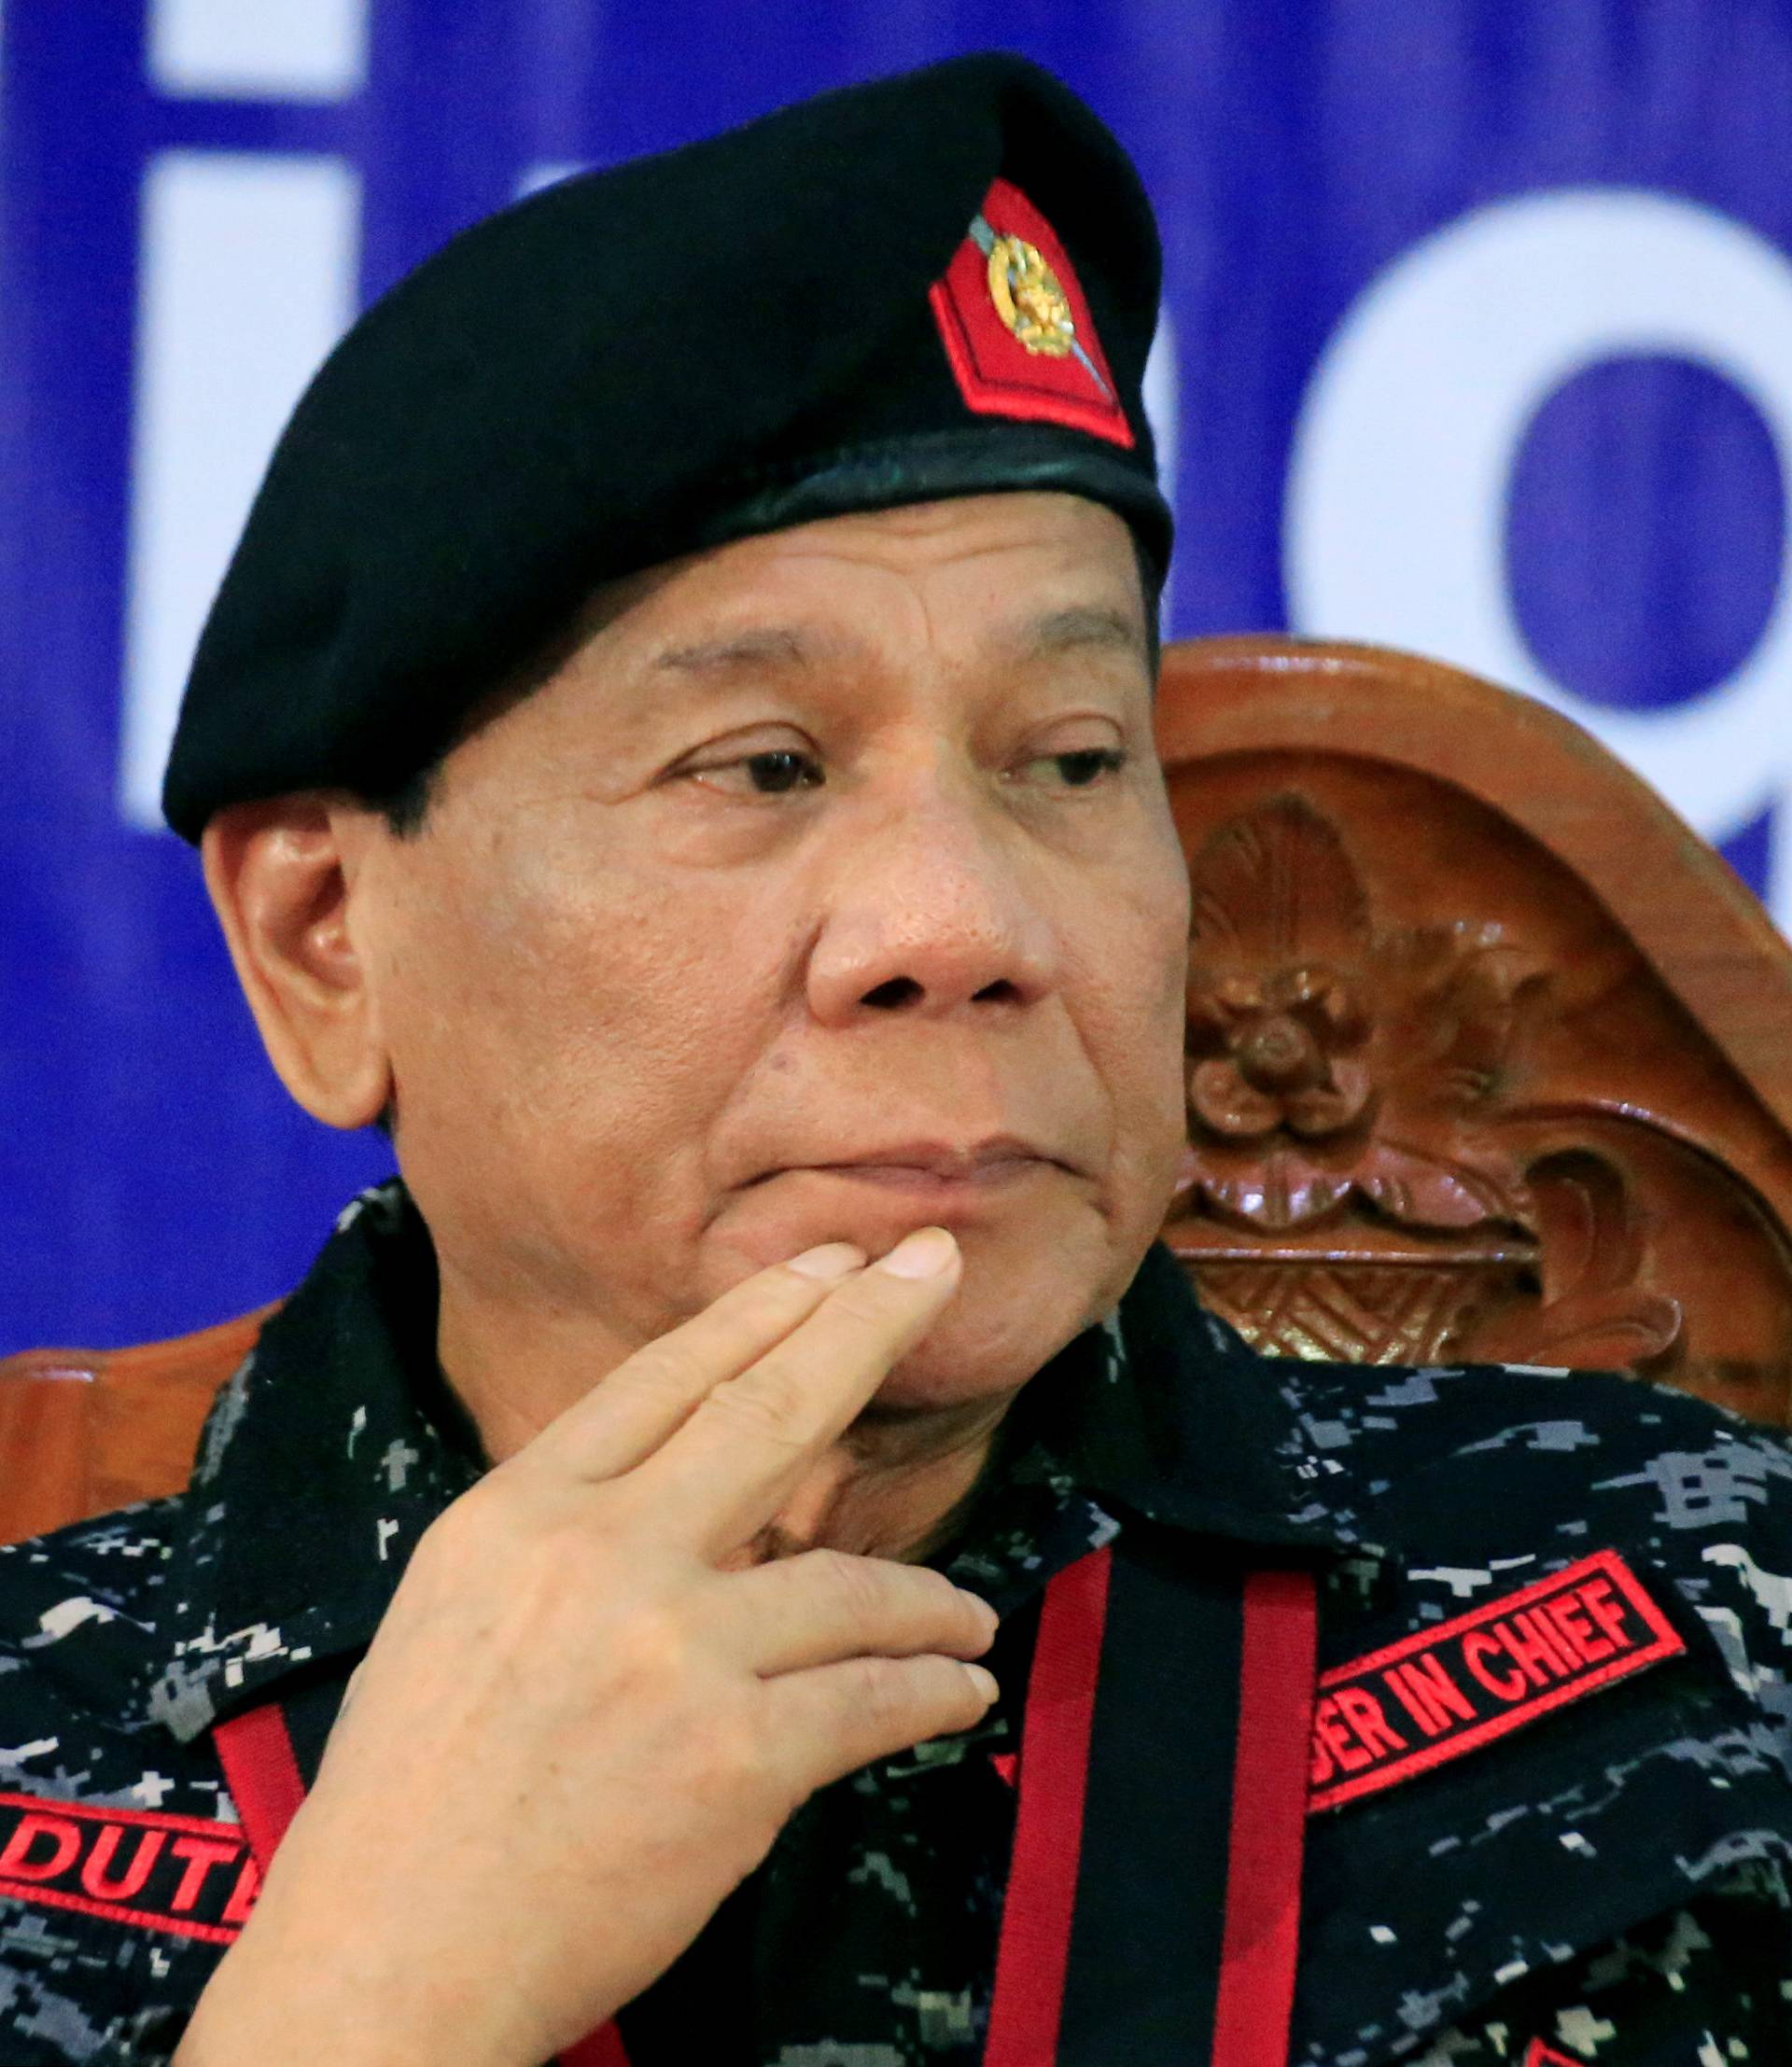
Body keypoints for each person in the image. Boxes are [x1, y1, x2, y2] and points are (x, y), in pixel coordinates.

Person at [4, 51, 1791, 2067]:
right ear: (330, 939)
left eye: (1073, 762)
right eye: (762, 765)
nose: (966, 924)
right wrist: (365, 2010)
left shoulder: (1704, 1616)